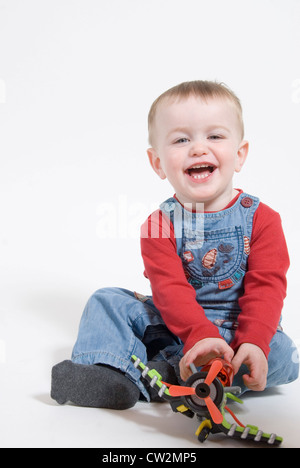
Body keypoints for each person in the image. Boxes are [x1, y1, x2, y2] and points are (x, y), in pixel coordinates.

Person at [51, 80, 299, 410]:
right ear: (158, 163)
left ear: (239, 155)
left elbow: (267, 287)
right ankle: (110, 375)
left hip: (239, 331)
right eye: (181, 139)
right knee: (106, 300)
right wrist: (198, 333)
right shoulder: (158, 224)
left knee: (282, 354)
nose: (198, 148)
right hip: (178, 327)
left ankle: (170, 375)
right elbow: (169, 289)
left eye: (214, 136)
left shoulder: (263, 219)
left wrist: (253, 341)